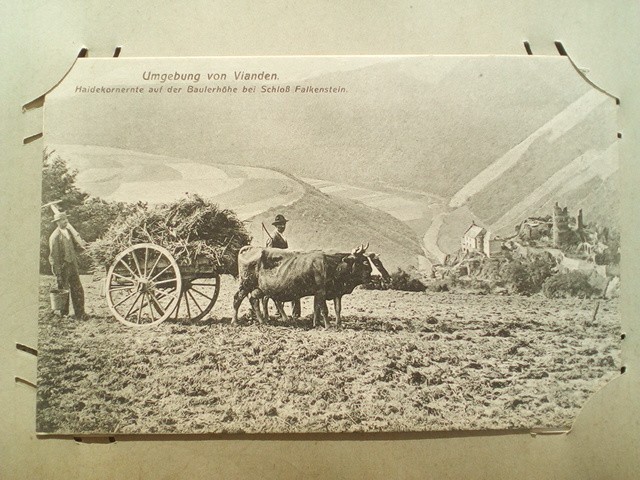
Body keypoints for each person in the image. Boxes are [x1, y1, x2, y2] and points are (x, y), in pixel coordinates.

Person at [48, 211, 87, 320]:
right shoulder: (54, 237)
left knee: (78, 288)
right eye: (63, 220)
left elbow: (75, 246)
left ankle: (80, 313)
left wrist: (85, 246)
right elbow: (53, 257)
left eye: (66, 219)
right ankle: (63, 314)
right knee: (63, 291)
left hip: (72, 265)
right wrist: (58, 273)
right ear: (57, 222)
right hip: (63, 267)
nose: (66, 221)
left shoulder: (69, 232)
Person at [265, 214, 301, 318]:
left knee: (295, 287)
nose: (282, 226)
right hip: (278, 267)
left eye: (283, 224)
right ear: (276, 226)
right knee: (279, 290)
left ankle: (296, 315)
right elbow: (269, 253)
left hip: (286, 266)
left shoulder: (282, 236)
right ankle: (279, 312)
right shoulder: (272, 237)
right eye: (280, 225)